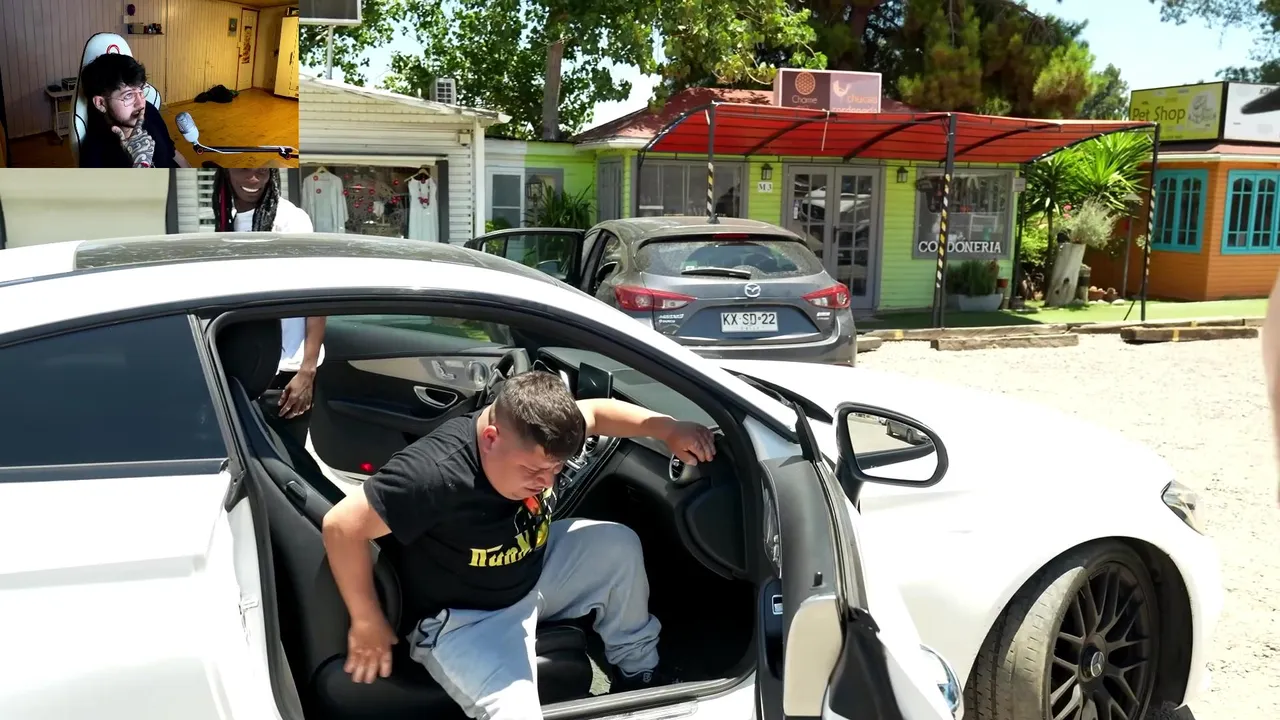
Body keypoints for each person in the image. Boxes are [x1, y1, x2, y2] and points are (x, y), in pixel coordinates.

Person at [322, 371, 717, 719]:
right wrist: (366, 618)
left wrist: (667, 429)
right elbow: (342, 526)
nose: (547, 482)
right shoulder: (433, 473)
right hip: (466, 618)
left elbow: (596, 413)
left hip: (531, 569)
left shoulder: (537, 431)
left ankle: (638, 675)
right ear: (491, 438)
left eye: (556, 468)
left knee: (617, 544)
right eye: (533, 470)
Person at [213, 164, 325, 445]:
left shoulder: (290, 220)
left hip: (285, 372)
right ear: (226, 171)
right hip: (239, 366)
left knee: (286, 461)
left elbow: (316, 295)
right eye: (244, 169)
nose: (253, 178)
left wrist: (307, 370)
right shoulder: (226, 217)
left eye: (262, 171)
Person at [78, 53, 190, 169]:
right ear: (101, 103)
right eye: (128, 95)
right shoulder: (94, 155)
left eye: (141, 91)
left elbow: (172, 152)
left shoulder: (149, 111)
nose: (141, 104)